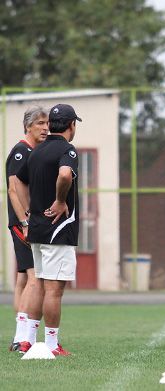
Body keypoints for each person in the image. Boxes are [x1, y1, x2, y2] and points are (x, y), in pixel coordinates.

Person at [16, 103, 82, 356]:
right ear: (71, 125)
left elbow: (18, 181)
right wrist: (60, 200)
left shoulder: (37, 150)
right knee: (54, 289)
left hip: (37, 229)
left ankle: (28, 341)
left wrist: (27, 212)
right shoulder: (68, 150)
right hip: (58, 230)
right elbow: (65, 175)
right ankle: (52, 345)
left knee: (40, 285)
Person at [6, 106, 48, 353]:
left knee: (23, 278)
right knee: (35, 279)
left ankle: (17, 335)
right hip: (23, 224)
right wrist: (24, 222)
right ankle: (22, 338)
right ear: (28, 126)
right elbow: (13, 188)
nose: (45, 128)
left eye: (47, 124)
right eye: (40, 123)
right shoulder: (22, 151)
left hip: (24, 223)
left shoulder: (34, 151)